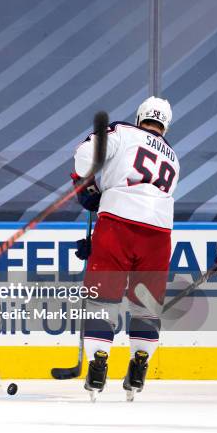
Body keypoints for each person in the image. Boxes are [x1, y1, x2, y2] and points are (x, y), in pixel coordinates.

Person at [72, 96, 179, 400]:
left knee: (102, 299)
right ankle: (139, 365)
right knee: (145, 305)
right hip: (159, 232)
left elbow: (83, 160)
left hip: (117, 222)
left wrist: (89, 187)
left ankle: (97, 366)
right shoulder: (173, 156)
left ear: (139, 116)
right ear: (165, 124)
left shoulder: (122, 131)